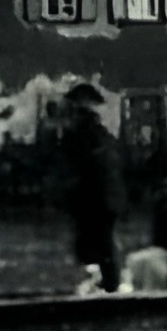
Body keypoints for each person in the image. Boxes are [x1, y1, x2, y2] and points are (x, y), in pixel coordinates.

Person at [53, 82, 127, 294]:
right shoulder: (99, 133)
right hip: (102, 196)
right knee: (102, 239)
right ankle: (109, 280)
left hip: (94, 196)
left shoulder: (82, 132)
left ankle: (109, 282)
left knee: (99, 239)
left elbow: (81, 165)